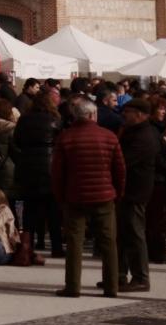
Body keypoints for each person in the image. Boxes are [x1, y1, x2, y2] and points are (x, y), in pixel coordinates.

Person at [50, 99, 125, 298]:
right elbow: (120, 170)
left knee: (75, 243)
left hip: (74, 196)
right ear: (93, 115)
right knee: (108, 242)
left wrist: (60, 196)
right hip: (104, 195)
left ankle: (73, 286)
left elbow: (57, 172)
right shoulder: (109, 137)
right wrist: (118, 192)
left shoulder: (66, 138)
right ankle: (112, 286)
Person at [116, 98, 161, 292]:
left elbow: (125, 160)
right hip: (129, 189)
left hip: (136, 190)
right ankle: (119, 274)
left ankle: (141, 277)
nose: (124, 115)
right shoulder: (134, 131)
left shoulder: (144, 136)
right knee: (124, 233)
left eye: (128, 112)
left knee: (134, 234)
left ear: (141, 115)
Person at [13, 89, 62, 255]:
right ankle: (56, 246)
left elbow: (17, 141)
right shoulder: (55, 119)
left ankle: (28, 246)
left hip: (28, 166)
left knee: (30, 209)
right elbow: (60, 142)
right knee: (53, 209)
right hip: (49, 165)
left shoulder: (24, 119)